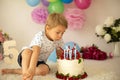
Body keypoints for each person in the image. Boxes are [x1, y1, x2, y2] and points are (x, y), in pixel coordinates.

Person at [1, 13, 68, 80]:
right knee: (28, 52)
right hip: (28, 58)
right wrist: (31, 69)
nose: (60, 36)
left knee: (45, 70)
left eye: (63, 33)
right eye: (58, 32)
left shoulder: (59, 40)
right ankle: (26, 75)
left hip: (40, 61)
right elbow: (36, 52)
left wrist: (63, 68)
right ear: (47, 28)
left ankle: (15, 71)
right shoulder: (40, 36)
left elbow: (59, 55)